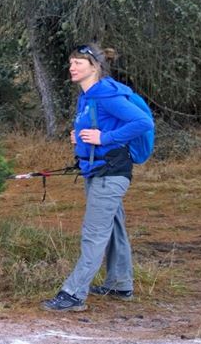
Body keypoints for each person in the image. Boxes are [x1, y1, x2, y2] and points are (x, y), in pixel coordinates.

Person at [42, 43, 154, 312]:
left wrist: (106, 138)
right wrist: (79, 139)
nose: (72, 67)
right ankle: (119, 283)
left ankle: (73, 294)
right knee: (114, 228)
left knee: (93, 234)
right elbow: (96, 127)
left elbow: (143, 122)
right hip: (99, 171)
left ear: (95, 67)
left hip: (110, 174)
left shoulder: (106, 94)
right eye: (70, 62)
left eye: (78, 63)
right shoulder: (88, 96)